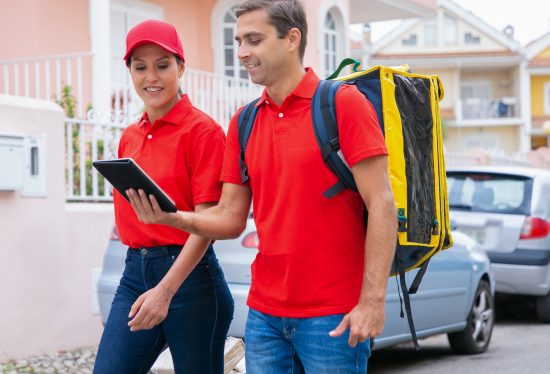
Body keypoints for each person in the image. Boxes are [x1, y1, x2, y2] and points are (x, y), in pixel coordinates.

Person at [127, 1, 397, 372]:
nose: (242, 53)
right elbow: (230, 218)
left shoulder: (343, 105)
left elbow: (382, 202)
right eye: (238, 40)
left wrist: (372, 301)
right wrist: (172, 217)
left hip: (334, 315)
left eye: (253, 40)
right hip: (265, 316)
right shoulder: (245, 120)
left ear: (292, 39)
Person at [93, 19, 234, 374]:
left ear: (181, 67)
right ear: (129, 72)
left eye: (162, 65)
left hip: (191, 280)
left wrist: (166, 290)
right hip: (134, 272)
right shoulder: (129, 137)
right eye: (140, 67)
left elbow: (209, 223)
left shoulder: (203, 132)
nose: (150, 77)